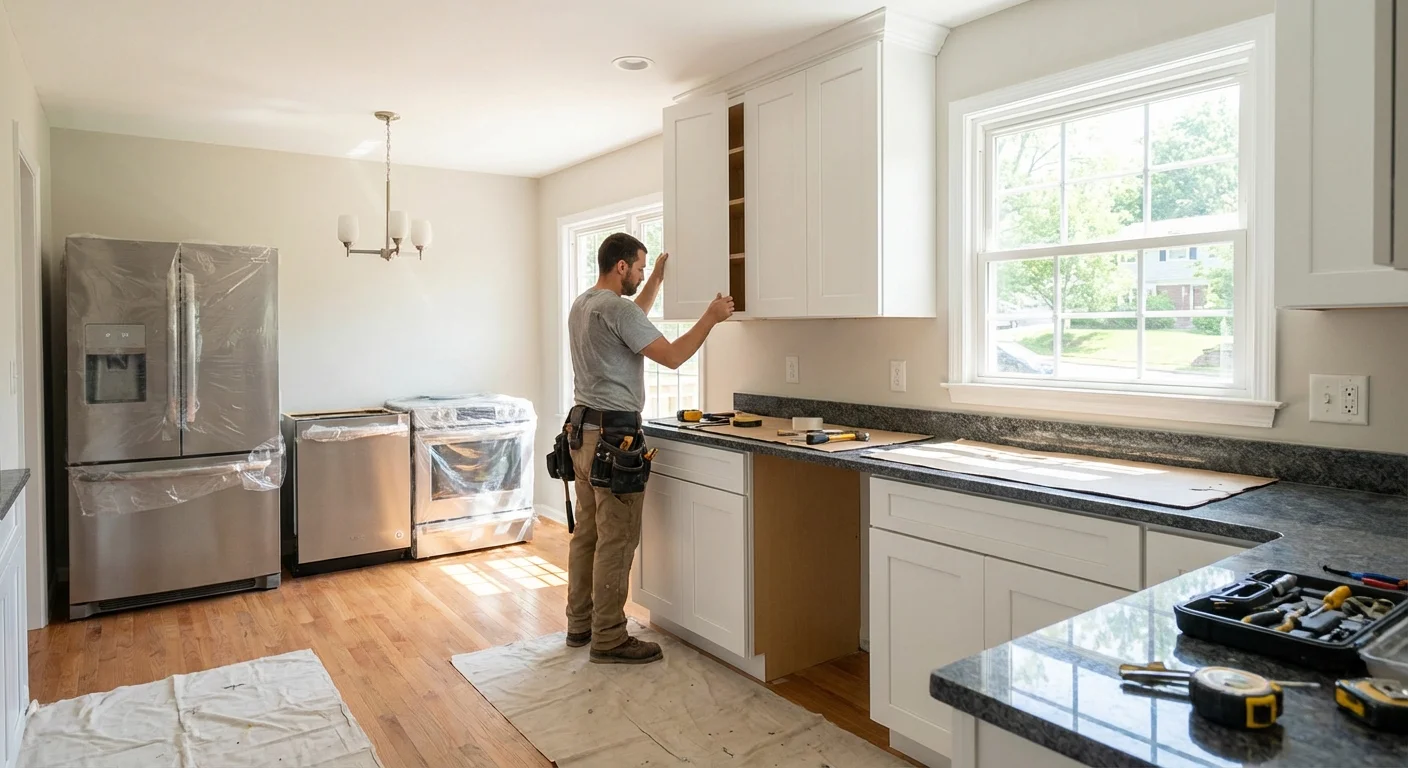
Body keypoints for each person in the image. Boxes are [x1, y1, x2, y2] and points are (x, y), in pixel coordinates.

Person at [563, 232, 734, 664]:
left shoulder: (585, 304)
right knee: (616, 542)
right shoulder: (615, 308)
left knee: (588, 535)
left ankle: (580, 625)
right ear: (621, 266)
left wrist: (656, 279)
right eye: (639, 268)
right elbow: (674, 356)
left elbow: (633, 319)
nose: (641, 275)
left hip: (581, 434)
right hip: (614, 437)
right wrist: (711, 316)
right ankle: (609, 638)